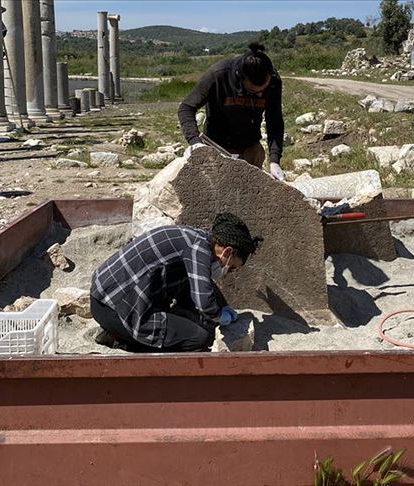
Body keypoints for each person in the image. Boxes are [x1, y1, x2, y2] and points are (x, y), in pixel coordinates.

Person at [90, 213, 263, 352]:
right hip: (116, 307)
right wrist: (219, 315)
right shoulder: (198, 249)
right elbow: (204, 303)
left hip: (105, 298)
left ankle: (121, 335)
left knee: (198, 322)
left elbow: (198, 284)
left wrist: (222, 305)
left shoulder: (195, 239)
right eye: (231, 268)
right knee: (198, 338)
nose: (227, 273)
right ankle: (124, 342)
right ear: (227, 252)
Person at [178, 42, 286, 181]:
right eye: (253, 91)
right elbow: (186, 107)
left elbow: (274, 121)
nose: (260, 95)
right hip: (217, 149)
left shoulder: (273, 81)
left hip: (251, 148)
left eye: (263, 90)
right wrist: (196, 143)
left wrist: (274, 161)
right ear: (240, 78)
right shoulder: (218, 75)